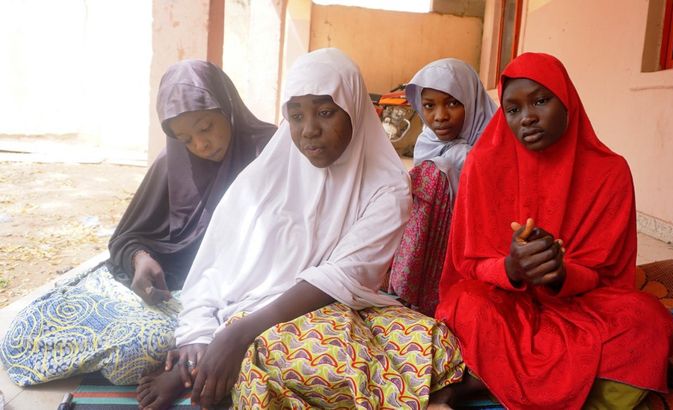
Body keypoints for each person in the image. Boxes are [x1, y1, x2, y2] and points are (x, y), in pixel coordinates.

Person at [136, 48, 465, 410]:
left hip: (339, 305)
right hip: (257, 312)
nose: (309, 129)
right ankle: (420, 397)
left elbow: (345, 275)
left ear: (354, 107)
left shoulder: (388, 186)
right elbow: (214, 264)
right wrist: (198, 335)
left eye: (325, 112)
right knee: (277, 360)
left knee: (432, 340)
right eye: (296, 115)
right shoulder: (265, 176)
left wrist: (238, 335)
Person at [0, 60, 276, 386]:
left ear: (227, 106)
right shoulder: (173, 160)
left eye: (205, 128)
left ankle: (178, 366)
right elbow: (127, 236)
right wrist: (140, 259)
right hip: (167, 292)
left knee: (139, 351)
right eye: (185, 138)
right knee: (28, 329)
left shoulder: (269, 151)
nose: (200, 145)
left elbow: (281, 245)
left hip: (234, 296)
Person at [434, 52, 673, 409]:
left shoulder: (609, 172)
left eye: (541, 101)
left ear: (567, 102)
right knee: (464, 307)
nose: (527, 118)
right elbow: (467, 265)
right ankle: (613, 383)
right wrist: (511, 268)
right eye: (513, 109)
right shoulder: (483, 165)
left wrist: (560, 273)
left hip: (581, 304)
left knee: (649, 320)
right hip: (505, 301)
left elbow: (608, 274)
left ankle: (481, 385)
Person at [388, 58, 496, 315]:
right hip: (434, 244)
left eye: (452, 103)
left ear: (471, 100)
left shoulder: (495, 139)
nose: (440, 116)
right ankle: (410, 288)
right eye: (428, 106)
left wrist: (462, 159)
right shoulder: (427, 140)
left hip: (478, 245)